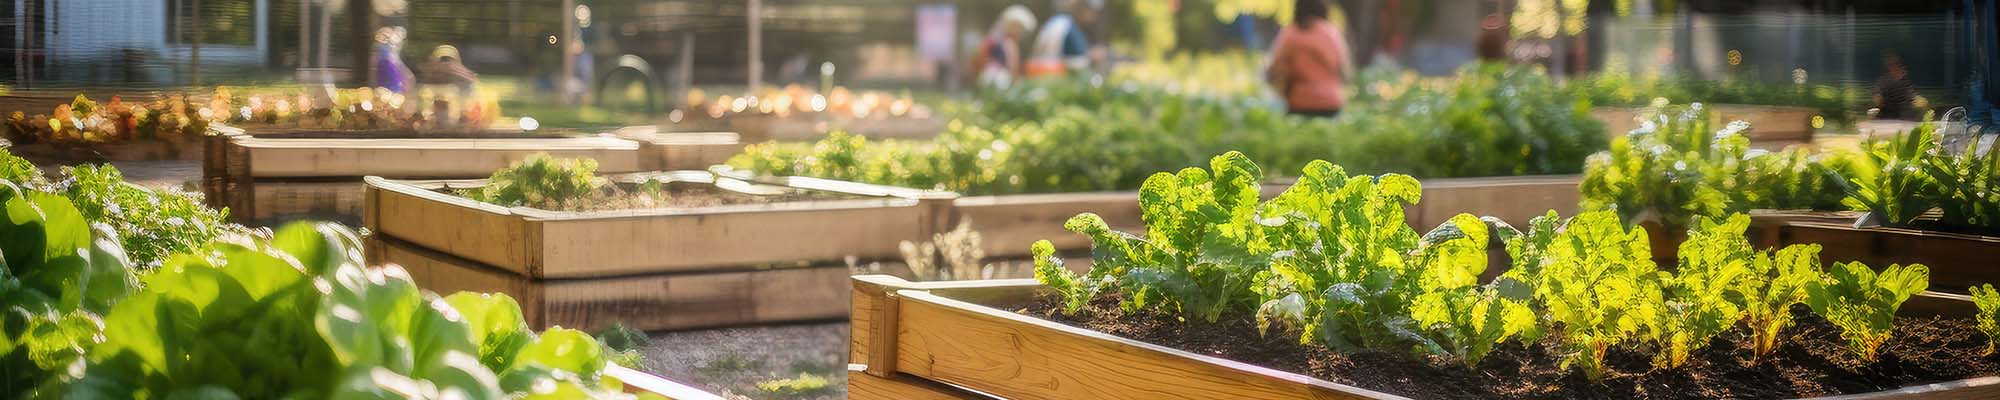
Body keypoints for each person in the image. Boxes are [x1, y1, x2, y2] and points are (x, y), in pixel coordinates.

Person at [1266, 0, 1352, 118]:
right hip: (1331, 102)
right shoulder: (1331, 32)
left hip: (1299, 102)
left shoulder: (1290, 33)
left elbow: (1276, 68)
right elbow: (1343, 70)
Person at [1026, 0, 1101, 77]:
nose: (1094, 17)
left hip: (1040, 72)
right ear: (1083, 9)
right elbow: (1076, 61)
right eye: (1093, 12)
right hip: (1051, 74)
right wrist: (1091, 58)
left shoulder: (1057, 21)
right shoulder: (1066, 25)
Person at [974, 6, 1038, 87]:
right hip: (1001, 80)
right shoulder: (1010, 43)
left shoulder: (993, 39)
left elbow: (980, 58)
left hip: (986, 77)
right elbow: (1012, 66)